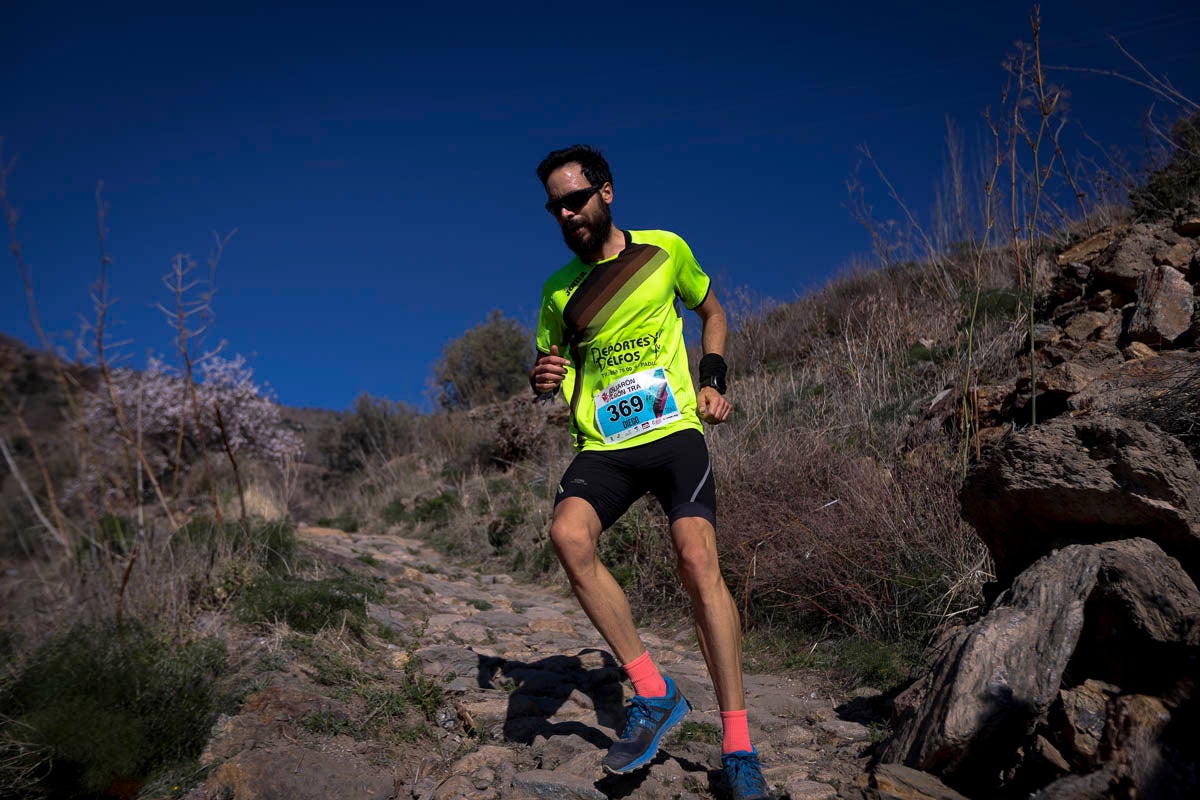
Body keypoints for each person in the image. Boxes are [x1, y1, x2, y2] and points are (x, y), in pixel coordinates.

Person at [528, 144, 770, 800]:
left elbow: (712, 310)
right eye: (555, 207)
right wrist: (543, 377)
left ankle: (739, 744)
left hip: (673, 434)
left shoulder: (664, 250)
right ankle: (656, 691)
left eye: (576, 199)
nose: (567, 213)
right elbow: (553, 369)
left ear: (606, 193)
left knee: (697, 561)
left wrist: (712, 377)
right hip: (605, 443)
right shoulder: (557, 292)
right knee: (568, 537)